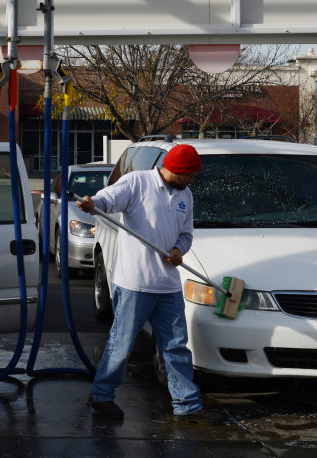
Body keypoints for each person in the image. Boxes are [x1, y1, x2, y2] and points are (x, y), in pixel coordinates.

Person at [77, 143, 226, 424]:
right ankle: (103, 396)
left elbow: (186, 234)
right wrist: (92, 204)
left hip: (168, 286)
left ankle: (187, 405)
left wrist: (179, 250)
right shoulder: (137, 182)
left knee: (176, 347)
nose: (193, 180)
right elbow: (108, 200)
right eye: (190, 175)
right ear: (176, 170)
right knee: (122, 344)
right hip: (135, 283)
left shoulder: (186, 195)